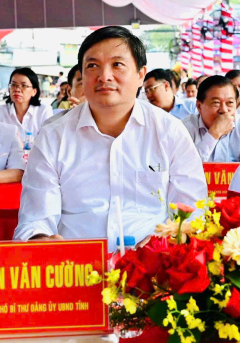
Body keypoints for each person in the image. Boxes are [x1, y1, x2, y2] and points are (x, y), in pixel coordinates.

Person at [14, 27, 206, 250]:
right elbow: (35, 218)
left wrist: (167, 242)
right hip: (76, 263)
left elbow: (193, 212)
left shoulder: (169, 132)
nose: (104, 76)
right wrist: (40, 240)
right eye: (92, 66)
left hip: (154, 263)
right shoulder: (53, 136)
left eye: (117, 64)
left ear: (140, 75)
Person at [181, 75, 240, 162]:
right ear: (199, 106)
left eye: (230, 103)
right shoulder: (184, 128)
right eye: (216, 103)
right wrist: (214, 134)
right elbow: (185, 166)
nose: (224, 110)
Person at [0, 67, 53, 144]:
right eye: (13, 85)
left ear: (34, 91)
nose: (17, 89)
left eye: (24, 85)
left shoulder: (44, 111)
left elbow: (47, 141)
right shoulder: (0, 111)